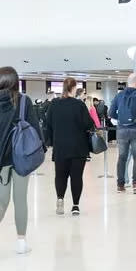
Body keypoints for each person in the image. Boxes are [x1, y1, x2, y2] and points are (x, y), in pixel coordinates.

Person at [0, 67, 44, 258]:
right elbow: (35, 129)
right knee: (20, 200)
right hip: (21, 157)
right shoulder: (24, 101)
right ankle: (21, 242)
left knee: (0, 200)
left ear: (1, 80)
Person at [46, 78, 95, 216]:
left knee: (60, 176)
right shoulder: (79, 105)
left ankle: (60, 199)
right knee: (76, 177)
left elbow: (48, 125)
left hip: (60, 147)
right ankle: (75, 205)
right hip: (78, 147)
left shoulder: (54, 104)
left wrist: (50, 142)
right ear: (73, 88)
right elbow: (89, 124)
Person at [109, 73, 136, 194]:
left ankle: (120, 185)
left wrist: (120, 118)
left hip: (121, 130)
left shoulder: (119, 95)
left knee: (122, 157)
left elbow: (111, 113)